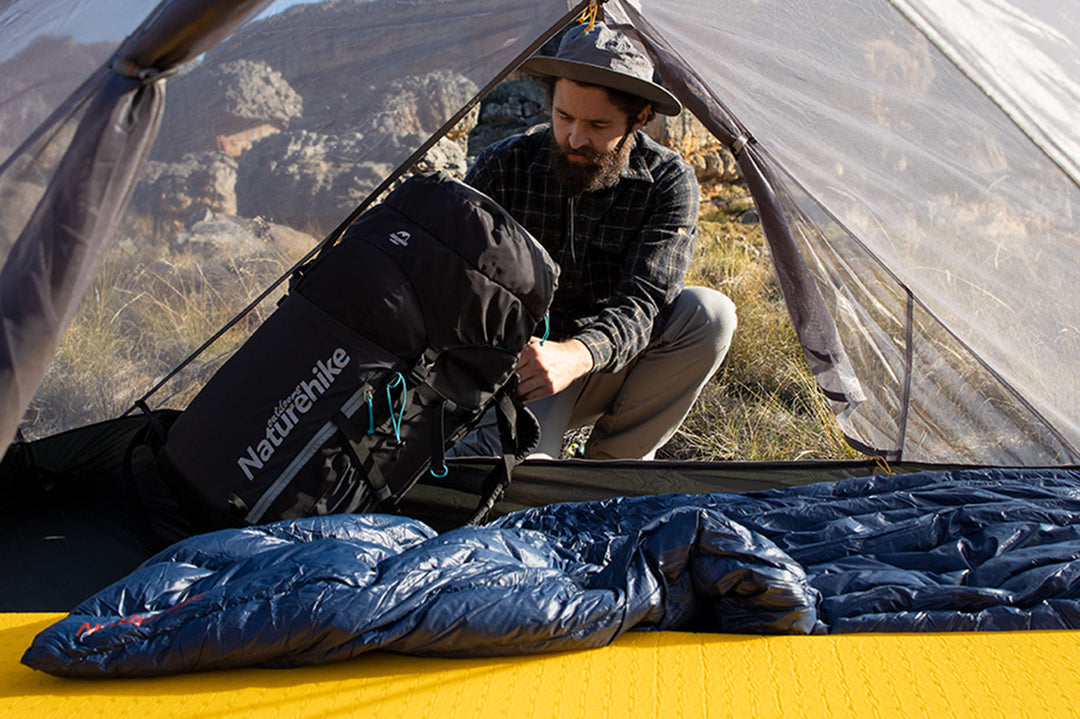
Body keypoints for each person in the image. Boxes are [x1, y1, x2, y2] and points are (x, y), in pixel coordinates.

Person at [460, 21, 737, 460]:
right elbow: (454, 276)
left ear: (640, 117)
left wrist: (579, 354)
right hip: (515, 368)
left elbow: (646, 301)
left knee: (708, 315)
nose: (574, 138)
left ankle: (610, 468)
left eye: (598, 124)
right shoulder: (503, 166)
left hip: (603, 361)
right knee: (523, 477)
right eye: (563, 116)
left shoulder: (667, 181)